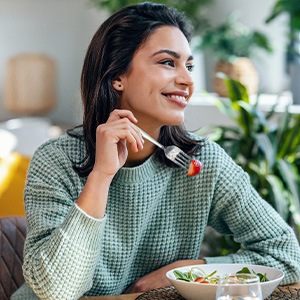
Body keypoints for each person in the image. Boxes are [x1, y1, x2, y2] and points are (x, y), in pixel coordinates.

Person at [12, 2, 300, 299]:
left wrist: (184, 273)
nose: (187, 80)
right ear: (117, 76)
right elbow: (55, 291)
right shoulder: (56, 160)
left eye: (188, 66)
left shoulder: (202, 163)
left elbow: (287, 255)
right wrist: (101, 175)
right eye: (167, 62)